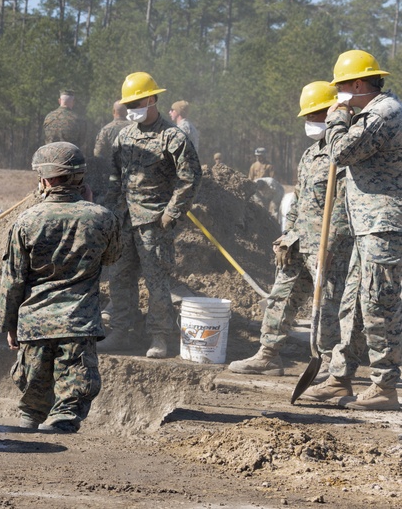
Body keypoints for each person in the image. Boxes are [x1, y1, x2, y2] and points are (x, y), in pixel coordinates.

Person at [228, 82, 358, 378]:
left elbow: (350, 205)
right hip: (300, 242)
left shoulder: (348, 154)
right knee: (280, 296)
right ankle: (268, 354)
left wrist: (334, 244)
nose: (310, 122)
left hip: (330, 244)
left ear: (334, 112)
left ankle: (328, 360)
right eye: (307, 117)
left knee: (328, 305)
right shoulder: (311, 154)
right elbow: (298, 200)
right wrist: (287, 236)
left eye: (316, 115)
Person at [302, 50, 402, 410]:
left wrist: (338, 118)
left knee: (379, 305)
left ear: (358, 84)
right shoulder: (369, 113)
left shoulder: (382, 114)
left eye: (341, 88)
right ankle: (339, 378)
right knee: (354, 305)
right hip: (366, 226)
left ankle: (385, 385)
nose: (338, 97)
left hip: (383, 226)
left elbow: (340, 152)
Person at [0, 142, 121, 433]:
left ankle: (28, 436)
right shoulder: (102, 217)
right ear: (80, 177)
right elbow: (112, 257)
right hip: (78, 323)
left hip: (35, 324)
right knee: (69, 406)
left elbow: (13, 280)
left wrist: (9, 323)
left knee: (32, 401)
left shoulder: (26, 221)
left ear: (46, 179)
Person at [99, 72, 201, 358]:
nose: (133, 108)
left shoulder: (172, 137)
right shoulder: (124, 136)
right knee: (119, 277)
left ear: (153, 98)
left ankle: (159, 337)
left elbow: (190, 179)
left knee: (156, 282)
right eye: (129, 103)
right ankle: (121, 331)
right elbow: (114, 177)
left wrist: (172, 213)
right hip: (124, 220)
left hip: (155, 222)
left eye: (139, 101)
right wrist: (111, 213)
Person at [90, 102, 130, 204]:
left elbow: (98, 154)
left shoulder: (106, 130)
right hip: (134, 174)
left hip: (112, 175)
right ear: (126, 111)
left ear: (113, 112)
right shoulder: (135, 127)